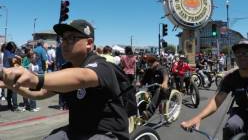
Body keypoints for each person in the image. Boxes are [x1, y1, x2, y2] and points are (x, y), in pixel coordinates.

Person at [0, 19, 129, 140]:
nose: (64, 43)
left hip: (105, 133)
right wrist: (13, 85)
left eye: (72, 38)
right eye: (63, 38)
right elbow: (39, 93)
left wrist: (35, 78)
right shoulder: (66, 68)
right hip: (75, 131)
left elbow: (82, 77)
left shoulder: (101, 66)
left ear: (89, 43)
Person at [137, 55, 169, 119]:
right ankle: (141, 114)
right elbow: (143, 81)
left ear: (156, 62)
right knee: (142, 95)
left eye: (151, 62)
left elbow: (165, 76)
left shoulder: (161, 68)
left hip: (163, 91)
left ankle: (149, 112)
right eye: (148, 62)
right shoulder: (149, 71)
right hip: (151, 91)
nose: (149, 64)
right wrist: (139, 83)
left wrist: (164, 82)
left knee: (159, 89)